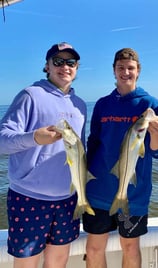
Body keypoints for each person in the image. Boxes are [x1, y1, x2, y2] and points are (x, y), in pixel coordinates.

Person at [0, 42, 86, 268]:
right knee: (26, 264)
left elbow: (81, 152)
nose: (64, 67)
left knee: (58, 263)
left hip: (68, 200)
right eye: (58, 61)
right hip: (29, 197)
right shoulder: (30, 95)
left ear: (77, 67)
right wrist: (34, 138)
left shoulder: (80, 106)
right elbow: (2, 141)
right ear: (47, 66)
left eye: (70, 62)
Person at [83, 48, 158, 268]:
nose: (125, 72)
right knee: (93, 249)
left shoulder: (148, 103)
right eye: (120, 68)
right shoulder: (102, 104)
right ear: (114, 71)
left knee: (130, 248)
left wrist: (157, 133)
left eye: (130, 68)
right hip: (99, 191)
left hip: (134, 194)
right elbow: (93, 144)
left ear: (138, 71)